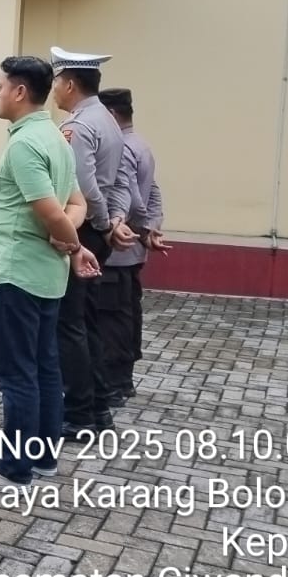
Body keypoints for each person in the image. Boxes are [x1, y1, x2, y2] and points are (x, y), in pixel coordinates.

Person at [0, 57, 100, 492]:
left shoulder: (26, 144)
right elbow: (77, 206)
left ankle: (13, 469)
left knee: (16, 374)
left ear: (19, 92)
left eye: (0, 86)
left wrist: (72, 243)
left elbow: (54, 212)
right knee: (44, 368)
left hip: (16, 272)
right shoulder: (55, 138)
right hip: (45, 275)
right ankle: (43, 458)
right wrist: (71, 241)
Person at [49, 47, 137, 440]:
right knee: (86, 322)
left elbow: (83, 187)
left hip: (82, 230)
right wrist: (115, 220)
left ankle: (79, 413)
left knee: (69, 326)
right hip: (97, 232)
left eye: (56, 82)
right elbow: (121, 183)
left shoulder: (79, 126)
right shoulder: (109, 121)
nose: (53, 89)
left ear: (69, 84)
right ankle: (99, 406)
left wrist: (102, 224)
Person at [97, 88, 169, 405]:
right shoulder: (141, 145)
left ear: (112, 115)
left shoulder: (122, 148)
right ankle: (123, 380)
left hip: (117, 250)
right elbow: (154, 193)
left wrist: (133, 226)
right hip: (133, 251)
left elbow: (131, 197)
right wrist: (150, 229)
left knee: (110, 319)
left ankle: (113, 384)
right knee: (127, 315)